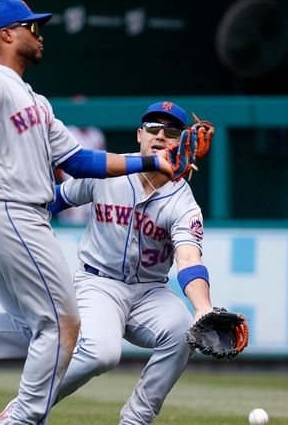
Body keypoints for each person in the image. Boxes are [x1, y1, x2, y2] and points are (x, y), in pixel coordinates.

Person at [0, 0, 174, 425]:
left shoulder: (35, 101)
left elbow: (83, 161)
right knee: (63, 327)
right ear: (6, 33)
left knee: (36, 329)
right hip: (10, 211)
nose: (39, 35)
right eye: (32, 27)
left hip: (2, 219)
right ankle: (21, 420)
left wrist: (151, 162)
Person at [48, 100, 215, 424]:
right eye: (153, 128)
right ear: (140, 135)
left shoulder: (183, 202)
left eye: (171, 131)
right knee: (101, 353)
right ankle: (27, 405)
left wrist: (203, 308)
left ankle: (136, 420)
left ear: (183, 142)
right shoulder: (109, 170)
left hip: (150, 292)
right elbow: (56, 199)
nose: (160, 136)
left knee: (184, 331)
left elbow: (188, 258)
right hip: (99, 282)